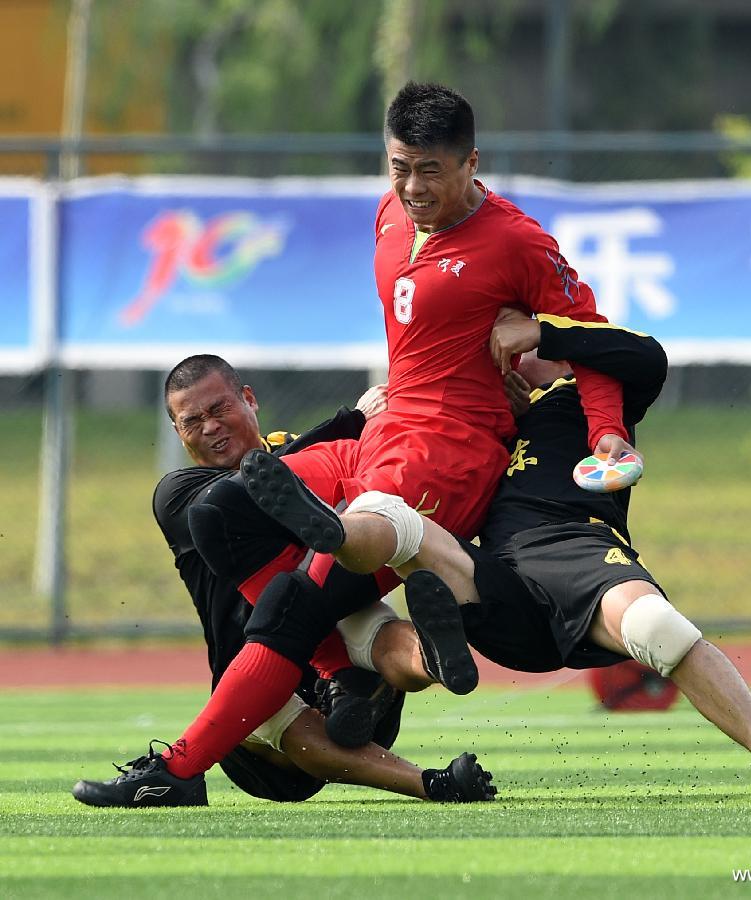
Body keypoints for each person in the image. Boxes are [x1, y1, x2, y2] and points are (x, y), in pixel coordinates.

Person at [86, 79, 644, 807]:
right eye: (399, 167)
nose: (412, 187)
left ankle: (181, 770)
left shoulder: (519, 242)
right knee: (220, 511)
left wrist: (604, 436)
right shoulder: (390, 215)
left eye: (430, 171)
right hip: (382, 434)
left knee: (293, 603)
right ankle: (345, 663)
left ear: (472, 163)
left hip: (446, 452)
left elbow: (597, 345)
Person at [252, 308, 751, 803]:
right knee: (398, 518)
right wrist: (354, 418)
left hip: (576, 546)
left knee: (659, 629)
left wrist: (544, 334)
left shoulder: (594, 394)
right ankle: (381, 595)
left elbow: (648, 358)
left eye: (504, 343)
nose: (496, 358)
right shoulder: (475, 418)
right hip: (496, 577)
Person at [71, 355, 496, 806]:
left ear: (249, 399)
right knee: (283, 700)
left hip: (356, 683)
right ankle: (432, 782)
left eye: (219, 410)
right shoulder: (180, 492)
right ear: (178, 432)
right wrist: (349, 422)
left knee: (364, 616)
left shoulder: (310, 451)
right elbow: (245, 493)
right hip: (254, 712)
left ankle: (428, 659)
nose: (210, 427)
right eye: (192, 421)